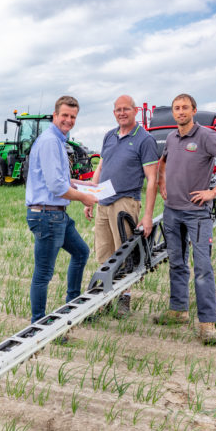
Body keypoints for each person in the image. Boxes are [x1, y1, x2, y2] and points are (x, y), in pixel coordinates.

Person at [157, 93, 216, 344]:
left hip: (196, 213)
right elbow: (163, 162)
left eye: (185, 107)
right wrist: (162, 182)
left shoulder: (206, 136)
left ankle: (207, 324)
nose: (180, 111)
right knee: (177, 262)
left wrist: (214, 192)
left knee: (203, 268)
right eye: (177, 108)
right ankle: (178, 311)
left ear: (194, 111)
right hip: (172, 212)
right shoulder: (171, 138)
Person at [25, 95, 98, 323]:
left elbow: (61, 180)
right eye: (64, 115)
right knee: (44, 273)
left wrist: (86, 185)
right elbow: (56, 186)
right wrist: (84, 198)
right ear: (55, 115)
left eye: (73, 116)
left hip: (57, 215)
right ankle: (38, 324)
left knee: (81, 252)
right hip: (47, 215)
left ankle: (72, 307)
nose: (69, 120)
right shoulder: (50, 141)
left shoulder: (58, 140)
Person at [84, 95, 159, 316]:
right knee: (104, 253)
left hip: (125, 202)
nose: (122, 113)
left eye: (126, 109)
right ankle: (106, 296)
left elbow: (152, 179)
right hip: (103, 202)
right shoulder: (109, 136)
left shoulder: (145, 139)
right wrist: (90, 197)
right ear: (114, 113)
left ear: (135, 111)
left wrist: (147, 216)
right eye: (118, 110)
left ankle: (124, 298)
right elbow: (101, 167)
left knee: (124, 253)